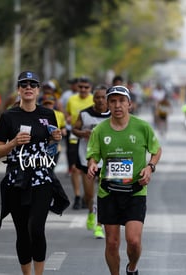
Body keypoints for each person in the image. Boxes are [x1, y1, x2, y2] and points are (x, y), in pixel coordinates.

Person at [0, 71, 69, 275]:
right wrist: (13, 143)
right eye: (24, 84)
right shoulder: (8, 116)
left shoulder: (47, 114)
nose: (28, 87)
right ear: (18, 89)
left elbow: (52, 147)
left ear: (38, 90)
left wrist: (55, 138)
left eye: (33, 84)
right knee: (22, 232)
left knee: (36, 228)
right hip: (16, 178)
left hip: (41, 177)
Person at [87, 85, 162, 275]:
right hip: (109, 192)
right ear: (107, 105)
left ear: (129, 104)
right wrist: (92, 165)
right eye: (113, 101)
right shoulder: (100, 130)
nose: (117, 105)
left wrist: (150, 167)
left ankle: (132, 267)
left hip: (135, 191)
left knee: (134, 241)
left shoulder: (142, 127)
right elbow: (93, 155)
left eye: (121, 101)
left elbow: (156, 150)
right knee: (112, 243)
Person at [72, 85, 110, 239]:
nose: (100, 100)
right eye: (97, 97)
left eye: (103, 97)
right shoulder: (85, 114)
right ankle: (90, 212)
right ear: (93, 98)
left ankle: (99, 226)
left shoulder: (114, 114)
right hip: (86, 158)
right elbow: (74, 129)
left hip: (107, 159)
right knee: (89, 195)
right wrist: (83, 133)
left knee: (104, 194)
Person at [65, 76, 94, 209]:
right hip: (75, 136)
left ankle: (86, 196)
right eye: (80, 87)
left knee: (87, 169)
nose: (83, 89)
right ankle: (77, 196)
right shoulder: (72, 99)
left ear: (90, 88)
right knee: (75, 168)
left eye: (86, 87)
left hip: (90, 139)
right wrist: (69, 118)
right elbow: (67, 115)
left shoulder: (95, 99)